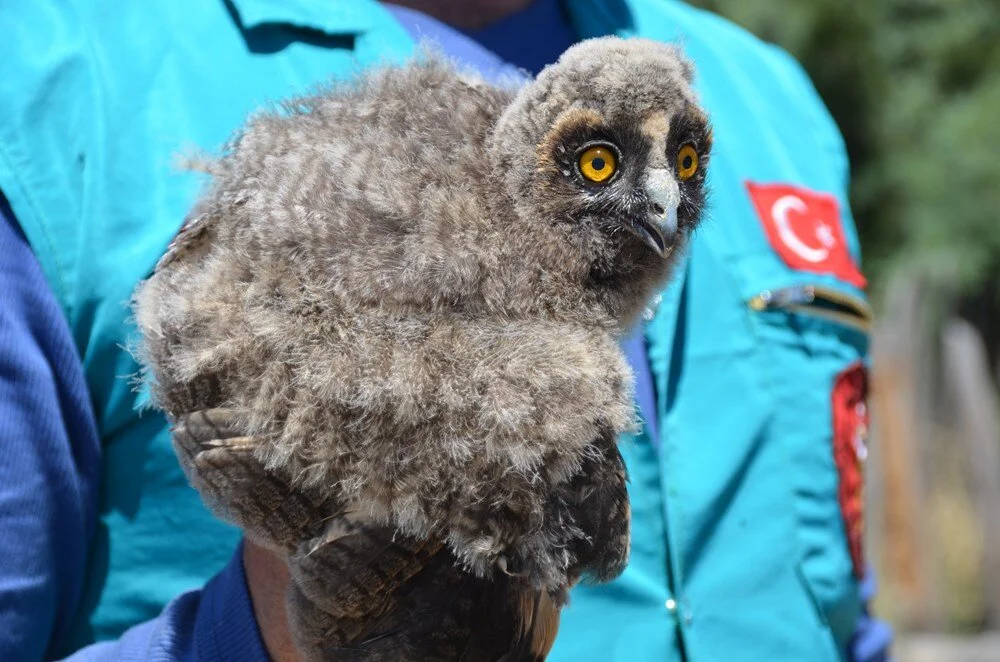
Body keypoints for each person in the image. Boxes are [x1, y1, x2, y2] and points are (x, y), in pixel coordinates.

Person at [0, 0, 892, 660]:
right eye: (594, 162)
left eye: (684, 167)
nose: (666, 190)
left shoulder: (772, 106)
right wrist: (280, 627)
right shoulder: (50, 89)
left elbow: (834, 612)